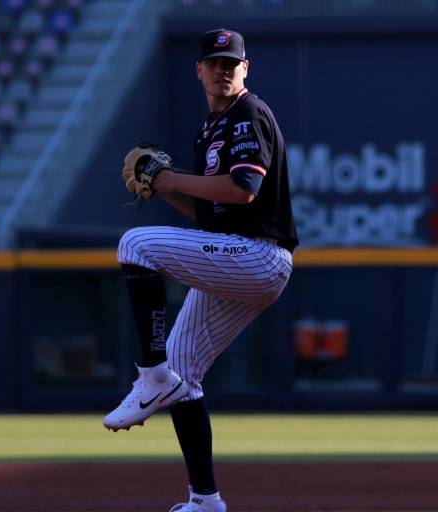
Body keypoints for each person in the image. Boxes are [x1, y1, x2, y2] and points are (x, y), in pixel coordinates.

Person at [104, 28, 298, 512]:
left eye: (232, 62)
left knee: (135, 244)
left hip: (259, 255)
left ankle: (150, 376)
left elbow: (243, 189)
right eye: (214, 62)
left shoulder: (248, 114)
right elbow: (210, 215)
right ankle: (205, 500)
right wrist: (163, 191)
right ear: (199, 70)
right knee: (185, 376)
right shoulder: (207, 130)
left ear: (246, 69)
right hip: (234, 253)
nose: (223, 69)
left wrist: (168, 177)